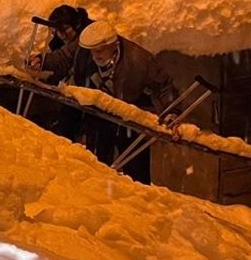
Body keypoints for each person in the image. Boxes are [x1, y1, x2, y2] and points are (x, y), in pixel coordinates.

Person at [70, 20, 178, 184]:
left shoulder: (139, 60)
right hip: (99, 114)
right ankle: (98, 193)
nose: (96, 56)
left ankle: (139, 201)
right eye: (93, 52)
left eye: (100, 51)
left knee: (135, 168)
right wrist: (41, 61)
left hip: (131, 113)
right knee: (96, 160)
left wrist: (172, 111)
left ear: (113, 47)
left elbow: (164, 85)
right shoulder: (85, 51)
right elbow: (63, 57)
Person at [28, 4, 92, 84]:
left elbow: (63, 58)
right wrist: (40, 59)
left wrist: (44, 60)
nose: (62, 35)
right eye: (57, 31)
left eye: (65, 29)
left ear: (77, 25)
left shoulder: (87, 38)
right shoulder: (59, 42)